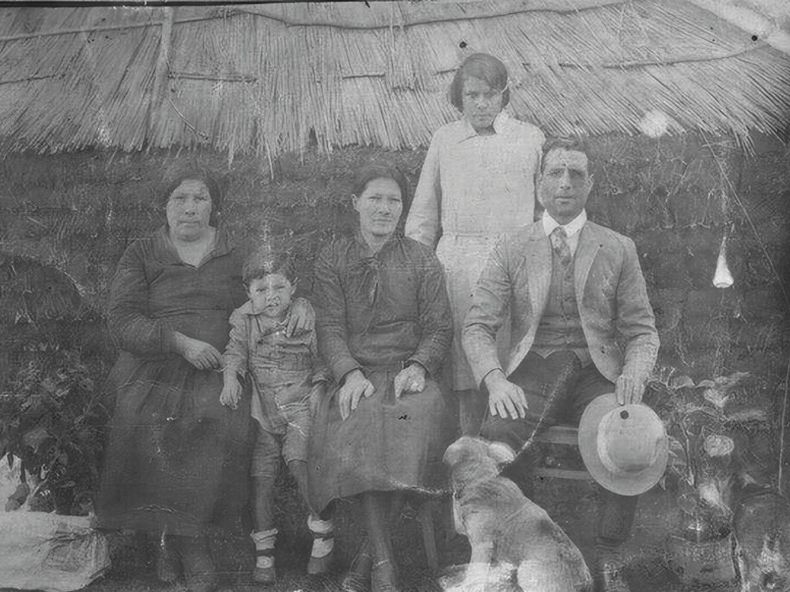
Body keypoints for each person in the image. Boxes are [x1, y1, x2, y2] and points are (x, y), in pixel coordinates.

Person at [95, 168, 313, 592]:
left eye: (199, 198)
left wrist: (299, 301)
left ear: (214, 206)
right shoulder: (142, 252)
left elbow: (271, 286)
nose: (190, 208)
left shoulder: (235, 250)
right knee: (146, 414)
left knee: (217, 415)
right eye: (180, 198)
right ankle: (177, 542)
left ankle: (184, 539)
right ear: (165, 205)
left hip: (221, 362)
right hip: (155, 363)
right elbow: (121, 320)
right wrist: (177, 341)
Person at [462, 138, 660, 592]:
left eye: (575, 174)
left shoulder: (617, 247)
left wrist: (634, 372)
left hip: (598, 370)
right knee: (495, 437)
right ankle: (508, 555)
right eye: (555, 173)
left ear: (590, 184)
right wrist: (494, 378)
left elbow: (642, 329)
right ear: (538, 184)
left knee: (630, 436)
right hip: (534, 367)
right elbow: (477, 324)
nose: (565, 183)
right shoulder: (512, 247)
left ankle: (610, 552)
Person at [309, 163, 454, 592]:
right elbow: (330, 327)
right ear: (355, 203)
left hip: (408, 374)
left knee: (415, 419)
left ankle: (369, 559)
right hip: (358, 373)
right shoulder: (333, 256)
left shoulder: (421, 259)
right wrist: (349, 373)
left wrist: (420, 366)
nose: (384, 208)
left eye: (394, 200)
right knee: (367, 421)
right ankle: (385, 565)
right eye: (375, 198)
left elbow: (439, 326)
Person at [405, 52, 545, 436]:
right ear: (459, 98)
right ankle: (466, 453)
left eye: (490, 94)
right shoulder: (445, 139)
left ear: (504, 95)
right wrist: (416, 271)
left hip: (512, 262)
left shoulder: (529, 138)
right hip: (458, 264)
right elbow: (423, 214)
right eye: (472, 95)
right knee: (464, 369)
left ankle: (504, 451)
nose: (482, 103)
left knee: (508, 361)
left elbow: (543, 210)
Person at [220, 250, 334, 584]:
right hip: (263, 411)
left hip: (299, 405)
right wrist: (230, 378)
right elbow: (234, 352)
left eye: (279, 288)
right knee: (262, 478)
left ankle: (323, 532)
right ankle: (264, 551)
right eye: (261, 290)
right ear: (248, 292)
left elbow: (323, 357)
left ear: (293, 287)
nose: (271, 297)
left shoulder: (305, 316)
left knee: (300, 463)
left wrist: (319, 384)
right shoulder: (244, 320)